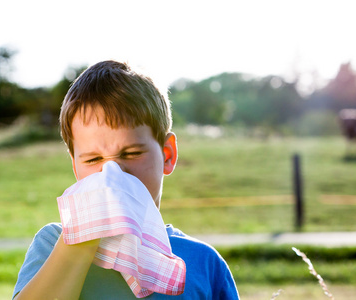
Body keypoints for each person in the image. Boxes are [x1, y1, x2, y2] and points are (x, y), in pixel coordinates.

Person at [13, 60, 239, 299]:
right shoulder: (51, 245)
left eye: (131, 154)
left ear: (167, 155)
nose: (113, 176)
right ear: (75, 167)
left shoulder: (203, 263)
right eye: (93, 160)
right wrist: (79, 244)